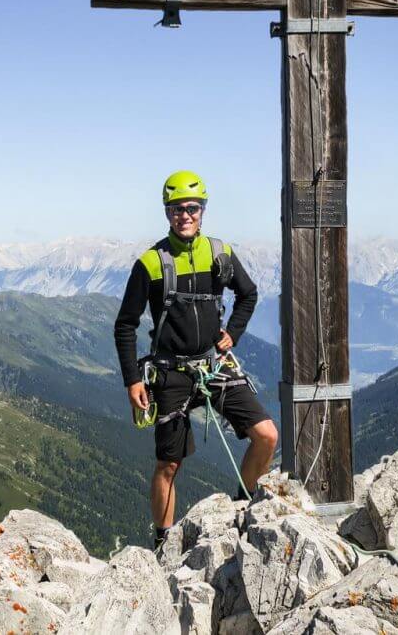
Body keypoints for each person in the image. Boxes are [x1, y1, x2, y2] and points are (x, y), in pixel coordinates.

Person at [113, 170, 279, 549]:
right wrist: (132, 381)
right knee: (168, 465)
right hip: (171, 371)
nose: (184, 215)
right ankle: (163, 544)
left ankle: (242, 509)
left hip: (214, 365)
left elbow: (247, 295)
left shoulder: (220, 253)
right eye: (176, 209)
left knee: (267, 436)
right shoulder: (151, 263)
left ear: (202, 210)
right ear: (167, 212)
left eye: (191, 208)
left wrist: (233, 333)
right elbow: (125, 324)